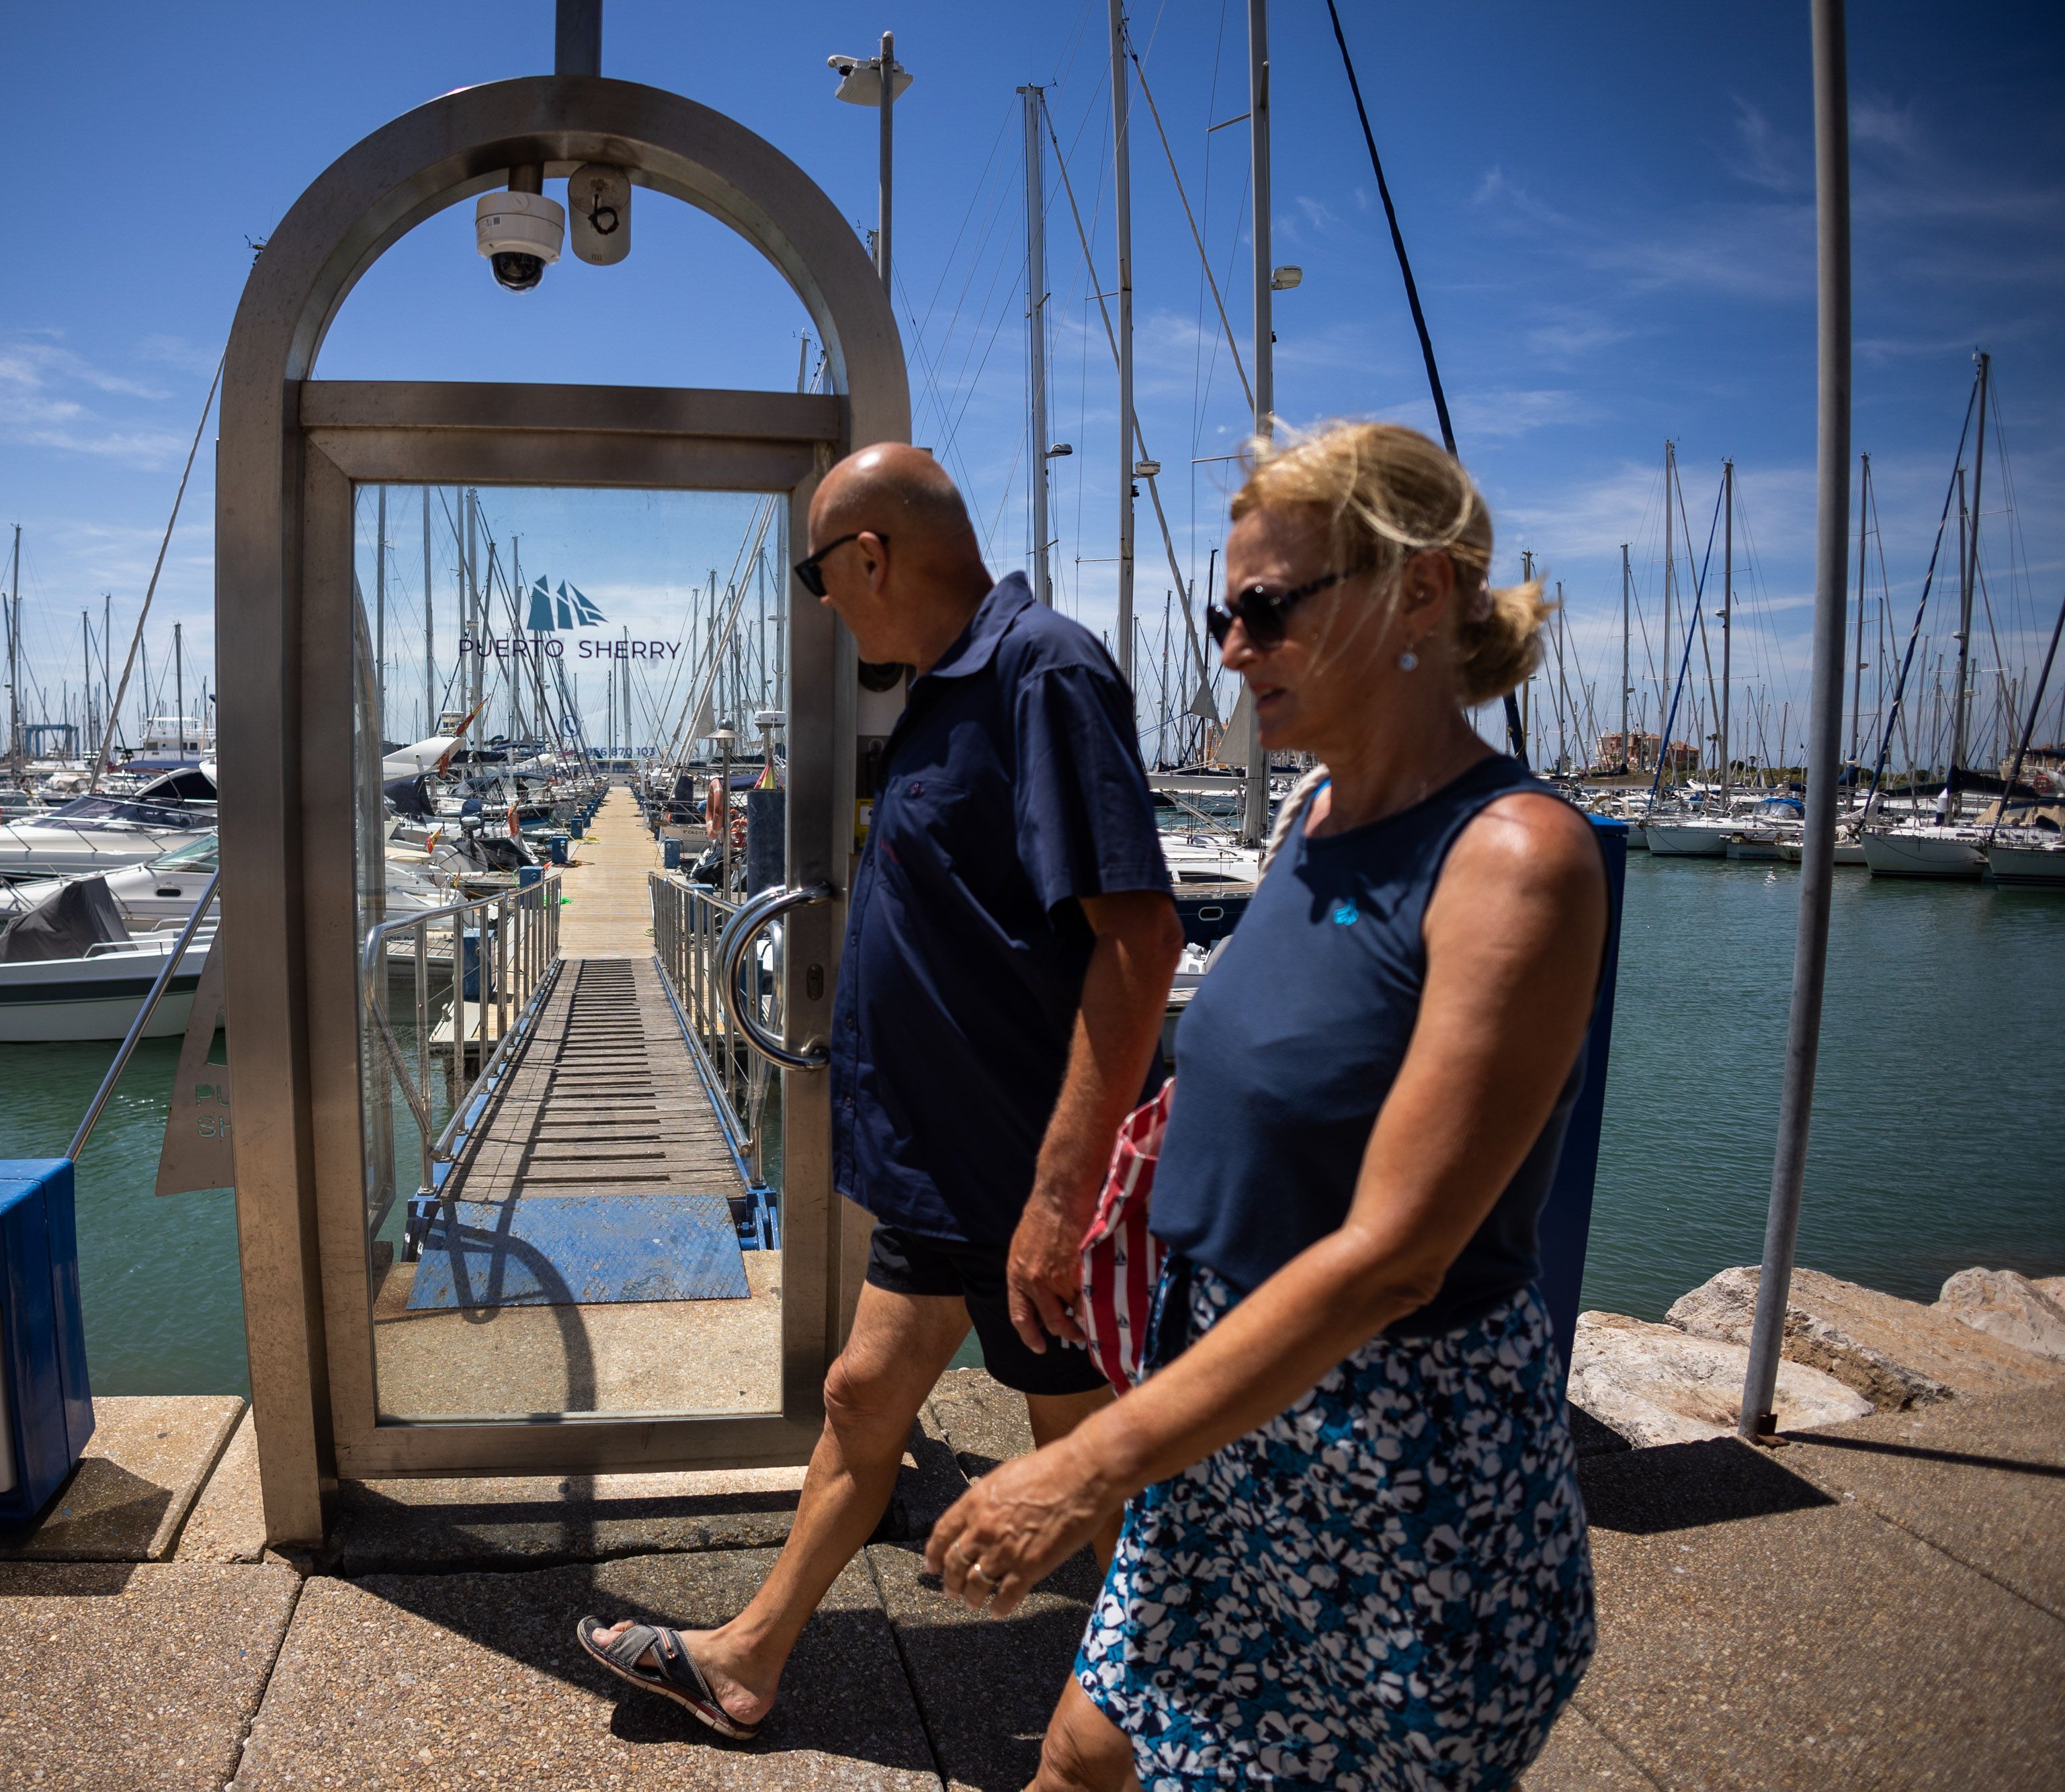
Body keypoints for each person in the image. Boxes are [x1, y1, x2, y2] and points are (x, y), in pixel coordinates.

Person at [925, 421, 1607, 1791]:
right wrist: (1076, 1212)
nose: (1232, 649)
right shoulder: (1312, 815)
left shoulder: (1515, 860)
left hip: (1385, 1473)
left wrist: (1088, 1463)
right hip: (1220, 1416)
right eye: (1219, 614)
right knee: (1079, 1755)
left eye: (1267, 608)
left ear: (1421, 590)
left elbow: (1393, 1256)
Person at [577, 444, 1187, 1739]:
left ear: (870, 555)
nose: (821, 603)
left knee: (1085, 1454)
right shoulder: (938, 692)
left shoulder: (1042, 672)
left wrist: (1061, 1193)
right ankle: (747, 1662)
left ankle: (1176, 1703)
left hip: (1019, 1175)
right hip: (942, 1169)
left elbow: (1139, 939)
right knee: (862, 1398)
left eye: (819, 575)